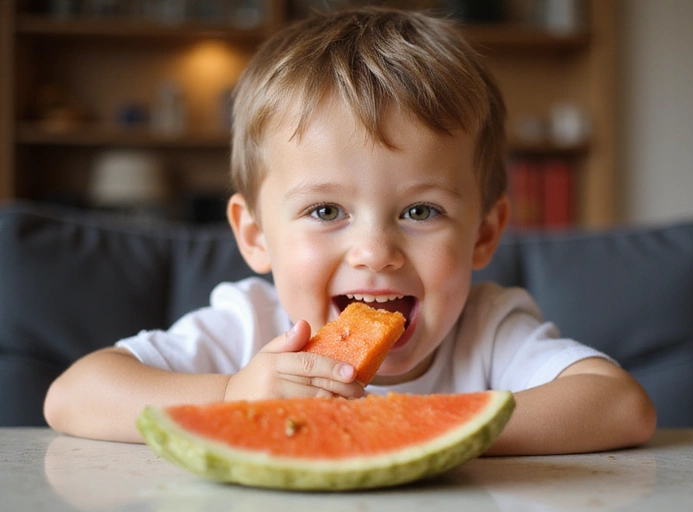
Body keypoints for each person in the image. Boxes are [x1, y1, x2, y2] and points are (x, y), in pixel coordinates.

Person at [44, 7, 656, 453]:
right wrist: (233, 395)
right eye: (326, 211)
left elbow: (620, 407)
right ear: (254, 236)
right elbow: (73, 396)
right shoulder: (248, 327)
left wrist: (437, 430)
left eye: (420, 212)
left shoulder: (488, 331)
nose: (375, 253)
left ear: (484, 234)